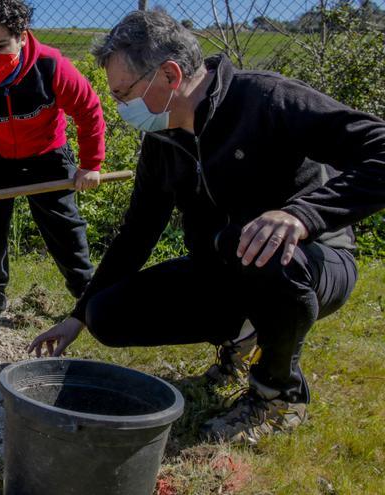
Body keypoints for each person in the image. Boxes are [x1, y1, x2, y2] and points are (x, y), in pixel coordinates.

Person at [28, 10, 385, 443]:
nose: (122, 108)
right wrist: (79, 314)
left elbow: (378, 150)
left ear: (170, 74)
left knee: (252, 245)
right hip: (226, 267)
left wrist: (303, 215)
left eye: (124, 94)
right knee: (109, 315)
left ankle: (277, 395)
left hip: (313, 262)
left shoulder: (266, 100)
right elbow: (138, 231)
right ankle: (244, 332)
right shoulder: (162, 139)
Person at [0, 0, 106, 338]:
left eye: (0, 45)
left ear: (21, 38)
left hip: (47, 154)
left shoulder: (51, 66)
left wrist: (90, 165)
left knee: (64, 227)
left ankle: (88, 297)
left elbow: (88, 109)